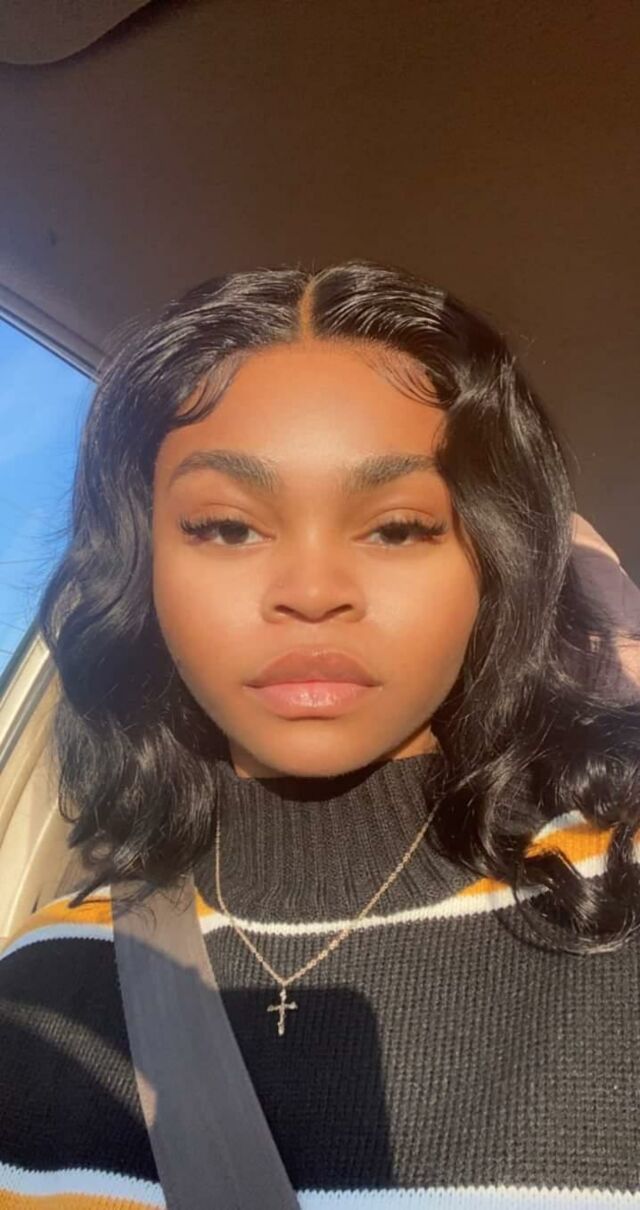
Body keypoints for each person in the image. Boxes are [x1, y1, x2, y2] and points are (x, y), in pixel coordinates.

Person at [1, 258, 640, 1208]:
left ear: (494, 563)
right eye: (226, 527)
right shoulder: (38, 990)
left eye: (398, 528)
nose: (310, 592)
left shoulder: (616, 907)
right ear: (142, 570)